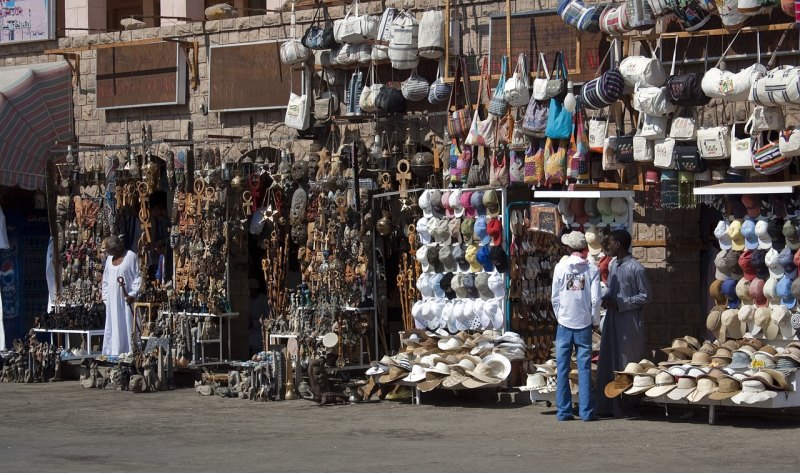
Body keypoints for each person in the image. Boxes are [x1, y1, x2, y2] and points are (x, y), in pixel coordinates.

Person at [596, 229, 652, 418]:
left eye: (610, 243)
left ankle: (629, 404)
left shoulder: (636, 268)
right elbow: (612, 289)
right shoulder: (613, 265)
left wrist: (621, 303)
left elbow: (646, 296)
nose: (608, 246)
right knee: (609, 359)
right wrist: (605, 298)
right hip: (613, 319)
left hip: (629, 322)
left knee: (627, 362)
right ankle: (609, 404)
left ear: (618, 244)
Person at [551, 231, 601, 422]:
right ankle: (586, 412)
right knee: (584, 368)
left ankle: (563, 412)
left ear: (569, 248)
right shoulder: (591, 269)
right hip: (584, 323)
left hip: (564, 322)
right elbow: (596, 300)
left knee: (562, 368)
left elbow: (555, 297)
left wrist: (560, 316)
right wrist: (594, 320)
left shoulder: (561, 268)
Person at [101, 235, 141, 356]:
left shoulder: (131, 257)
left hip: (127, 300)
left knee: (128, 324)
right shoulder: (109, 260)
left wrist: (133, 294)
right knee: (113, 326)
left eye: (111, 251)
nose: (110, 254)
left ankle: (130, 351)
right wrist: (107, 298)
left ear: (117, 248)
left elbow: (138, 277)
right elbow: (106, 280)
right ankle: (113, 352)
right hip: (112, 302)